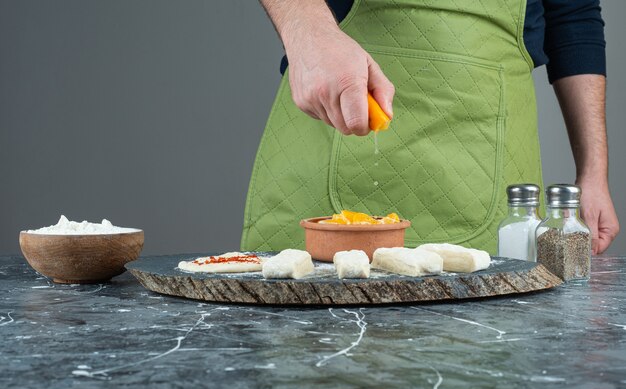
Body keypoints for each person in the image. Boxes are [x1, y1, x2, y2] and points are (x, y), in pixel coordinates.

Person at [241, 0, 619, 255]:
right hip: (331, 124)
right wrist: (308, 33)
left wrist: (593, 170)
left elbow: (574, 15)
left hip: (491, 155)